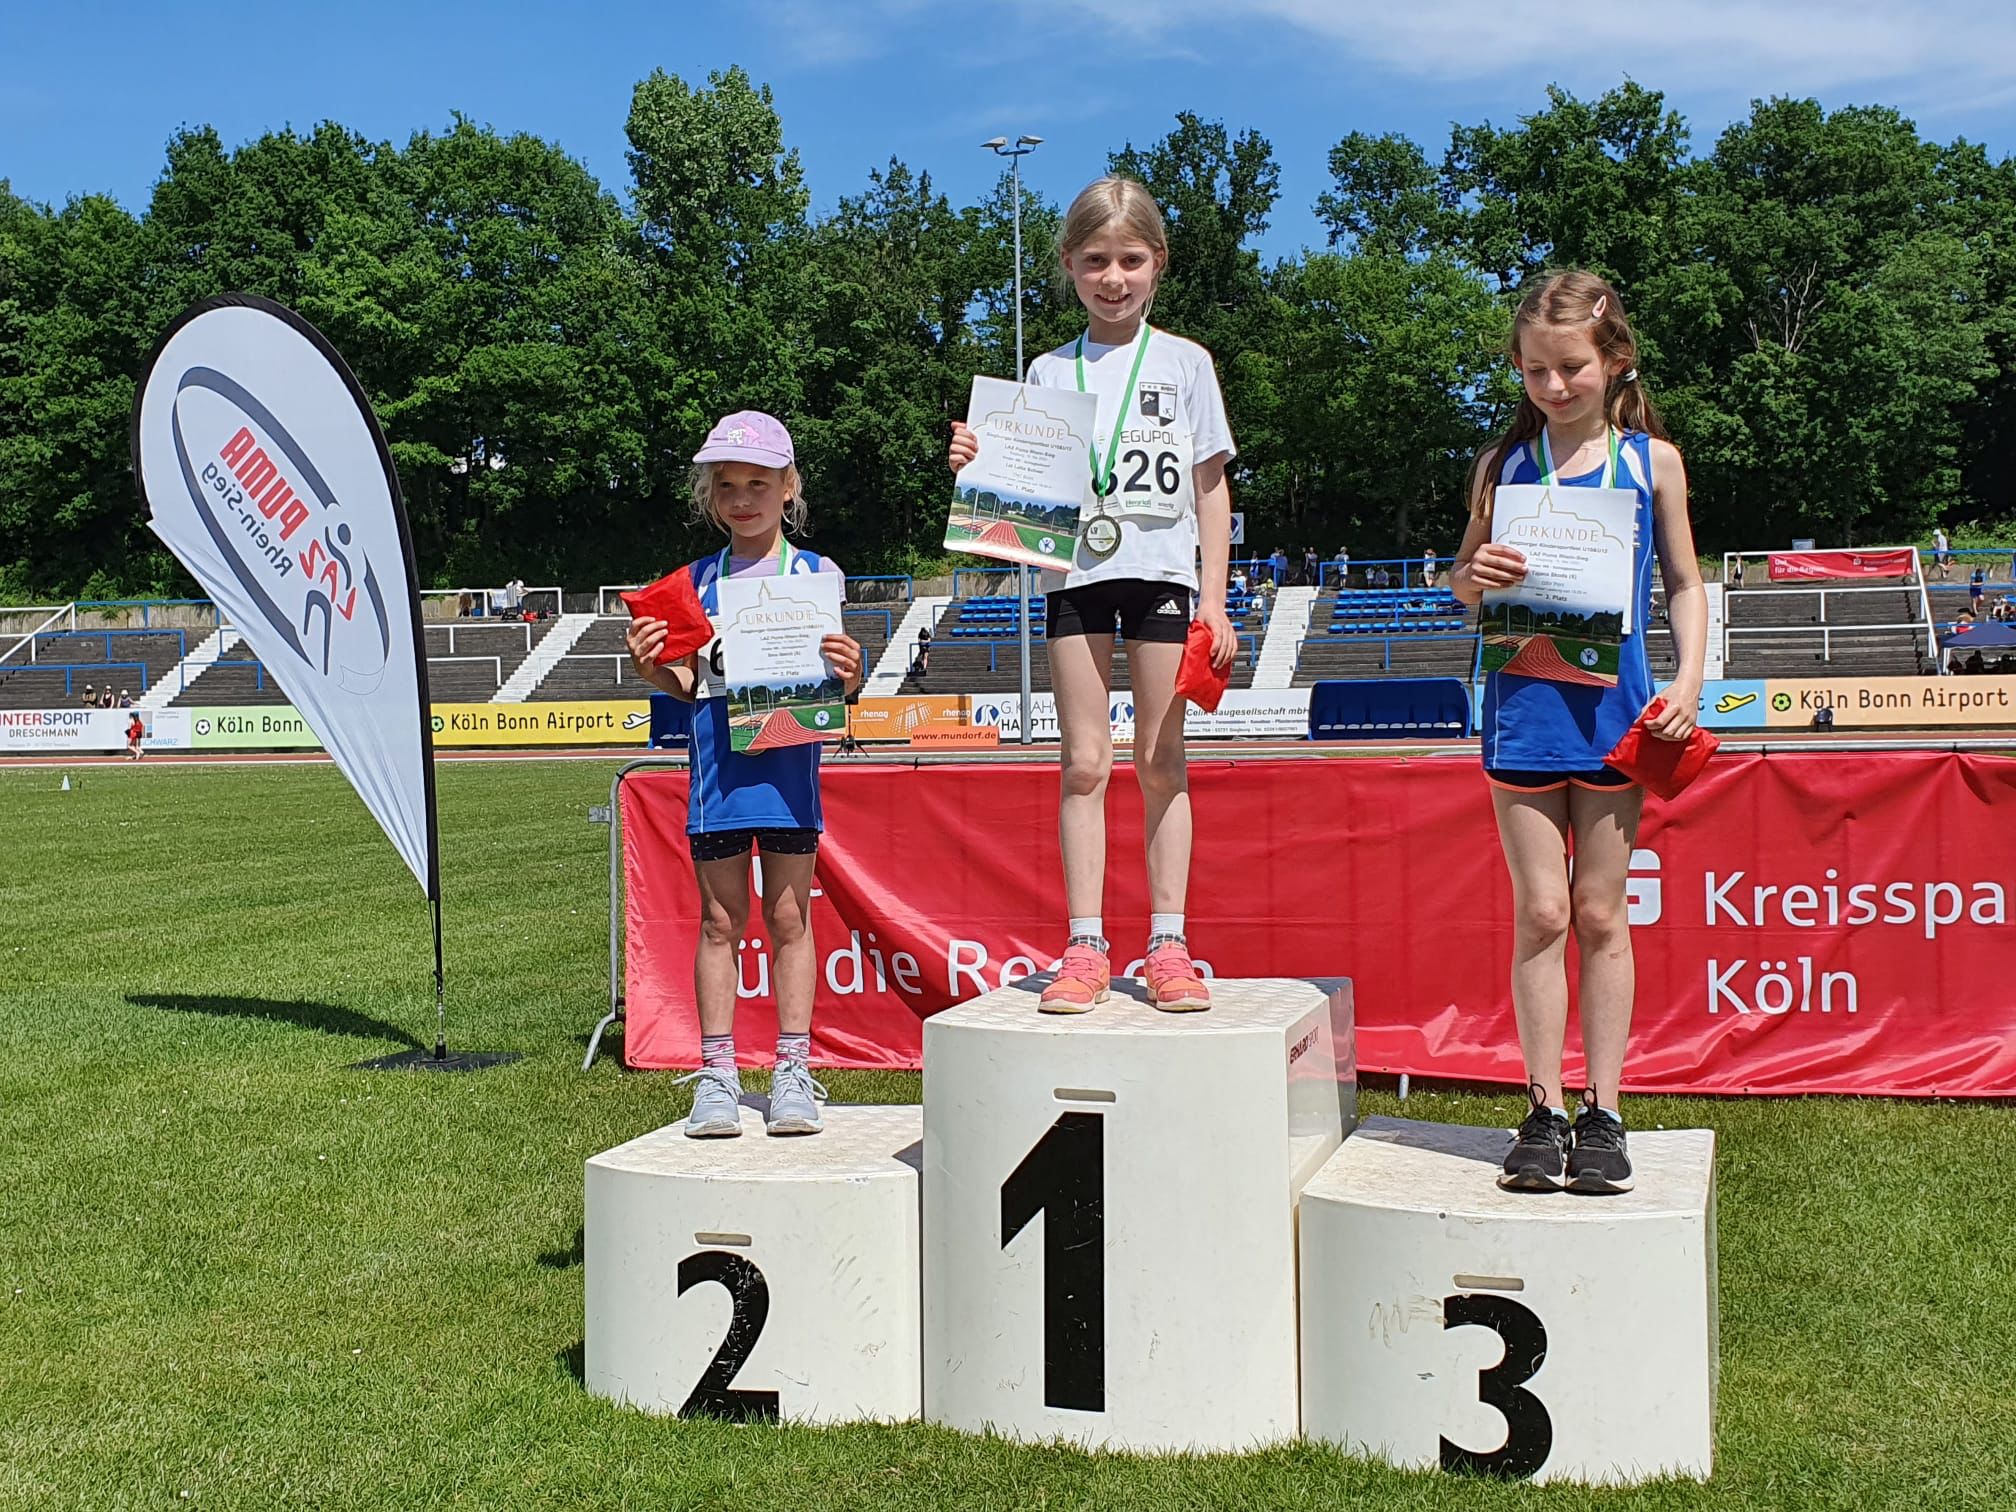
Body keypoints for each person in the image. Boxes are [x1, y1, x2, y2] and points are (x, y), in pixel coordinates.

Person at [948, 175, 1236, 1014]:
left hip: (1163, 577)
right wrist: (977, 463)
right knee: (1083, 762)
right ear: (1069, 265)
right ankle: (1084, 944)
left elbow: (1210, 487)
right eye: (1097, 261)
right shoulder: (1047, 368)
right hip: (1074, 576)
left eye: (1131, 260)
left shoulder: (1187, 364)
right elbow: (1017, 479)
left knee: (1161, 762)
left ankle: (1170, 943)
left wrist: (1213, 600)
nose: (1115, 278)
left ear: (1159, 265)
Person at [1449, 270, 1707, 1197]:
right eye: (1534, 372)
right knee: (1542, 914)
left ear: (1613, 360)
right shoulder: (1499, 468)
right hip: (1520, 710)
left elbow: (1682, 580)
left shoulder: (1653, 463)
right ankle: (1542, 1105)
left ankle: (1604, 1109)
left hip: (1613, 715)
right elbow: (1463, 590)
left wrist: (1688, 678)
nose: (1553, 388)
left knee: (1600, 915)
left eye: (1571, 368)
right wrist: (1474, 571)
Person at [624, 411, 865, 1138]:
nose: (742, 498)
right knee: (721, 921)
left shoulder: (817, 575)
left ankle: (793, 1069)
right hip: (718, 776)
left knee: (791, 918)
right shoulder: (694, 583)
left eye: (758, 483)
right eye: (725, 485)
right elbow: (690, 683)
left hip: (790, 768)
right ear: (709, 495)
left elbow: (835, 691)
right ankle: (719, 1075)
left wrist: (852, 680)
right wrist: (650, 669)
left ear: (789, 487)